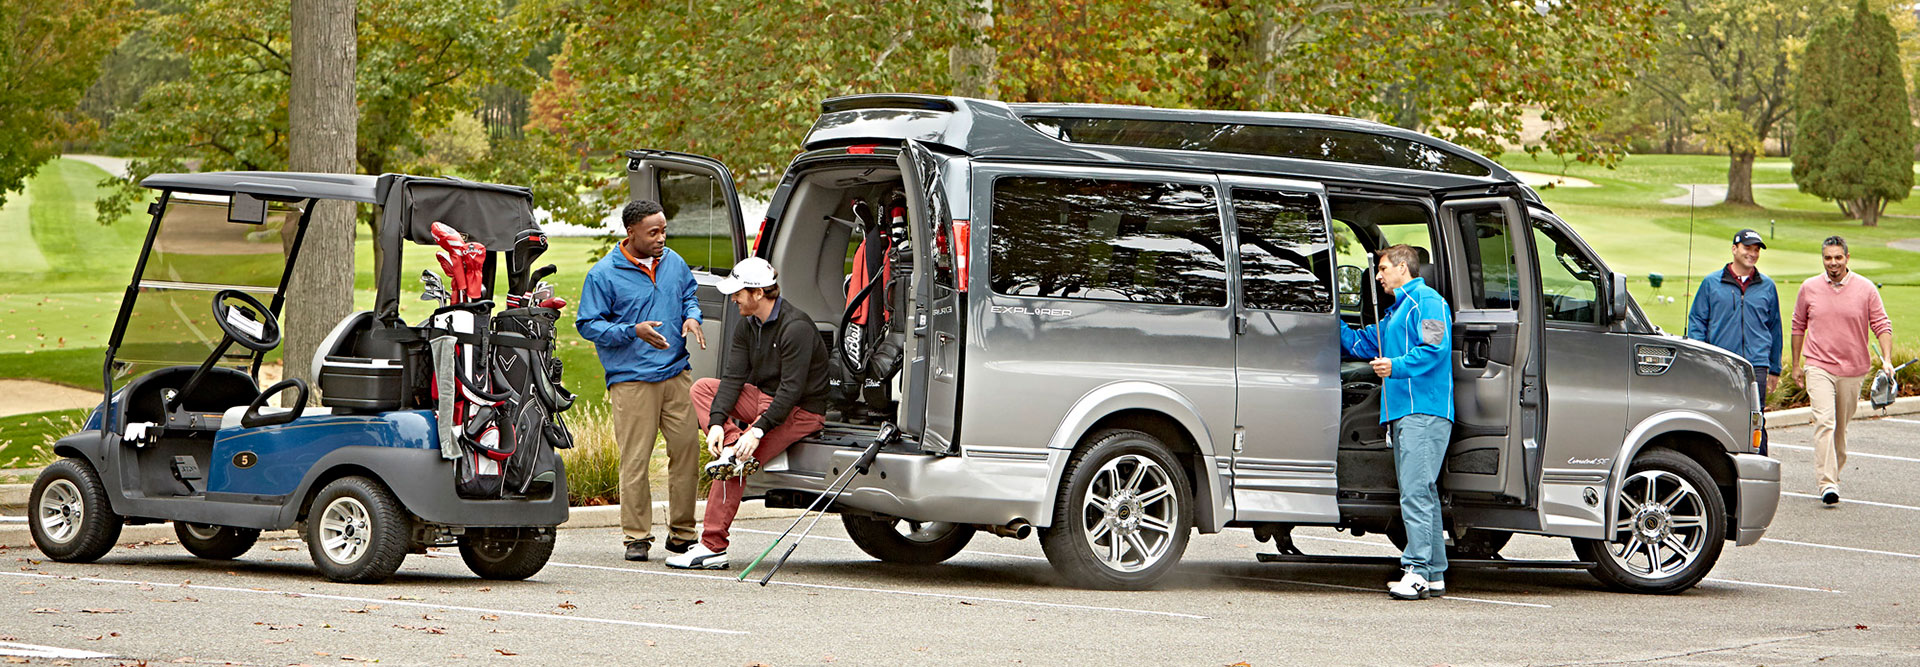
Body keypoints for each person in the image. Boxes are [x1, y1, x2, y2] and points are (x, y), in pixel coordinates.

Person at [668, 258, 831, 570]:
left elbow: (791, 391)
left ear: (758, 293)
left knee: (733, 465)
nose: (733, 298)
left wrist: (756, 431)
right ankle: (732, 445)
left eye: (738, 292)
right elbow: (731, 378)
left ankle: (713, 548)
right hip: (764, 400)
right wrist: (717, 425)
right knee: (703, 388)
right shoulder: (748, 324)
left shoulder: (796, 328)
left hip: (799, 411)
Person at [575, 200, 707, 561]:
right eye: (653, 232)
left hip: (676, 374)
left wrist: (692, 317)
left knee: (687, 454)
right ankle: (636, 537)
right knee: (635, 461)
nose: (661, 238)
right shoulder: (603, 274)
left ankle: (682, 533)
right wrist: (633, 331)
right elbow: (589, 324)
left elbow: (688, 295)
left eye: (664, 230)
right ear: (631, 232)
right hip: (632, 381)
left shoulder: (674, 263)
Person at [1339, 244, 1454, 600]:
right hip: (1406, 414)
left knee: (1416, 493)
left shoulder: (1428, 301)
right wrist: (1326, 317)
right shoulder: (1395, 314)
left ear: (1403, 267)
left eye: (1383, 268)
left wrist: (1396, 366)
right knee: (1423, 493)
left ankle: (1416, 570)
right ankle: (1433, 573)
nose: (1378, 276)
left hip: (1425, 412)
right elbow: (1359, 343)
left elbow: (1436, 348)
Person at [1788, 236, 1894, 506]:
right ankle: (1827, 483)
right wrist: (1797, 364)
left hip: (1852, 369)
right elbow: (1798, 325)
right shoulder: (1809, 288)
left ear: (1848, 257)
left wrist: (1888, 359)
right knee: (1825, 421)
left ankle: (1834, 473)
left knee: (1839, 430)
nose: (1832, 263)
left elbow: (1882, 324)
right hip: (1818, 365)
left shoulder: (1866, 289)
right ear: (1822, 258)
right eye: (1827, 258)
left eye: (1837, 257)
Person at [1686, 228, 1783, 452]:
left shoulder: (1767, 286)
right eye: (1748, 248)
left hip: (1755, 365)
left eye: (1756, 249)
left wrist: (1775, 368)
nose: (1753, 253)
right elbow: (1697, 323)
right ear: (1734, 249)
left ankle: (1759, 466)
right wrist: (1701, 359)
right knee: (1718, 417)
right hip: (1721, 362)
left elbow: (1774, 328)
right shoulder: (1711, 283)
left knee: (1756, 419)